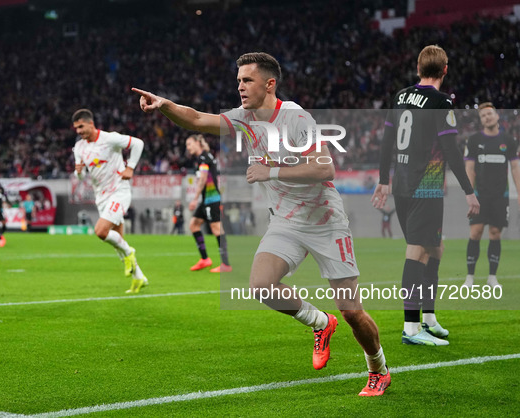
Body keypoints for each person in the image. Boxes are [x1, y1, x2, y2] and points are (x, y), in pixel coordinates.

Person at [133, 52, 390, 396]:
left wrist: (272, 171)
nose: (239, 86)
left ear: (269, 84)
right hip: (285, 223)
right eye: (238, 80)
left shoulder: (296, 117)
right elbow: (196, 119)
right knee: (261, 285)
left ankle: (379, 369)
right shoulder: (244, 118)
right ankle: (319, 322)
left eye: (247, 80)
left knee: (351, 311)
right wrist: (163, 103)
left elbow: (325, 169)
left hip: (325, 222)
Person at [372, 45, 480, 346]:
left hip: (403, 184)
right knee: (418, 249)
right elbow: (451, 150)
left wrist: (384, 181)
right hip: (426, 185)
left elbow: (386, 142)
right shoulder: (441, 101)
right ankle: (410, 327)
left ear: (419, 68)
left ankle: (429, 317)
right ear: (445, 70)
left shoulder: (400, 96)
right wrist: (469, 192)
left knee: (435, 248)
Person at [72, 108, 148, 294]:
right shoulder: (79, 148)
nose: (79, 131)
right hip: (101, 197)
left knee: (101, 231)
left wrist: (130, 168)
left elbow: (138, 143)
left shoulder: (110, 139)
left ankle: (131, 252)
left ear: (91, 123)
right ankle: (139, 278)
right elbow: (80, 178)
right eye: (76, 128)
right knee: (117, 243)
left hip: (119, 192)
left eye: (81, 126)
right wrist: (79, 172)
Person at [463, 103, 520, 289]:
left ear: (497, 116)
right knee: (475, 232)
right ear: (481, 121)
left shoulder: (509, 141)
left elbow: (515, 168)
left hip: (500, 197)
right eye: (483, 116)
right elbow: (469, 169)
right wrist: (469, 193)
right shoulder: (473, 141)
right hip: (480, 196)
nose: (487, 117)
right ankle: (469, 277)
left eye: (489, 114)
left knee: (495, 234)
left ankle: (492, 277)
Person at [185, 134, 232, 273]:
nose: (188, 148)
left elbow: (203, 178)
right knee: (193, 224)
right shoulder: (203, 158)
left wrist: (195, 198)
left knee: (217, 229)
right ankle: (205, 259)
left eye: (189, 144)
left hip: (212, 199)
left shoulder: (204, 158)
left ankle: (226, 264)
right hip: (207, 199)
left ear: (197, 143)